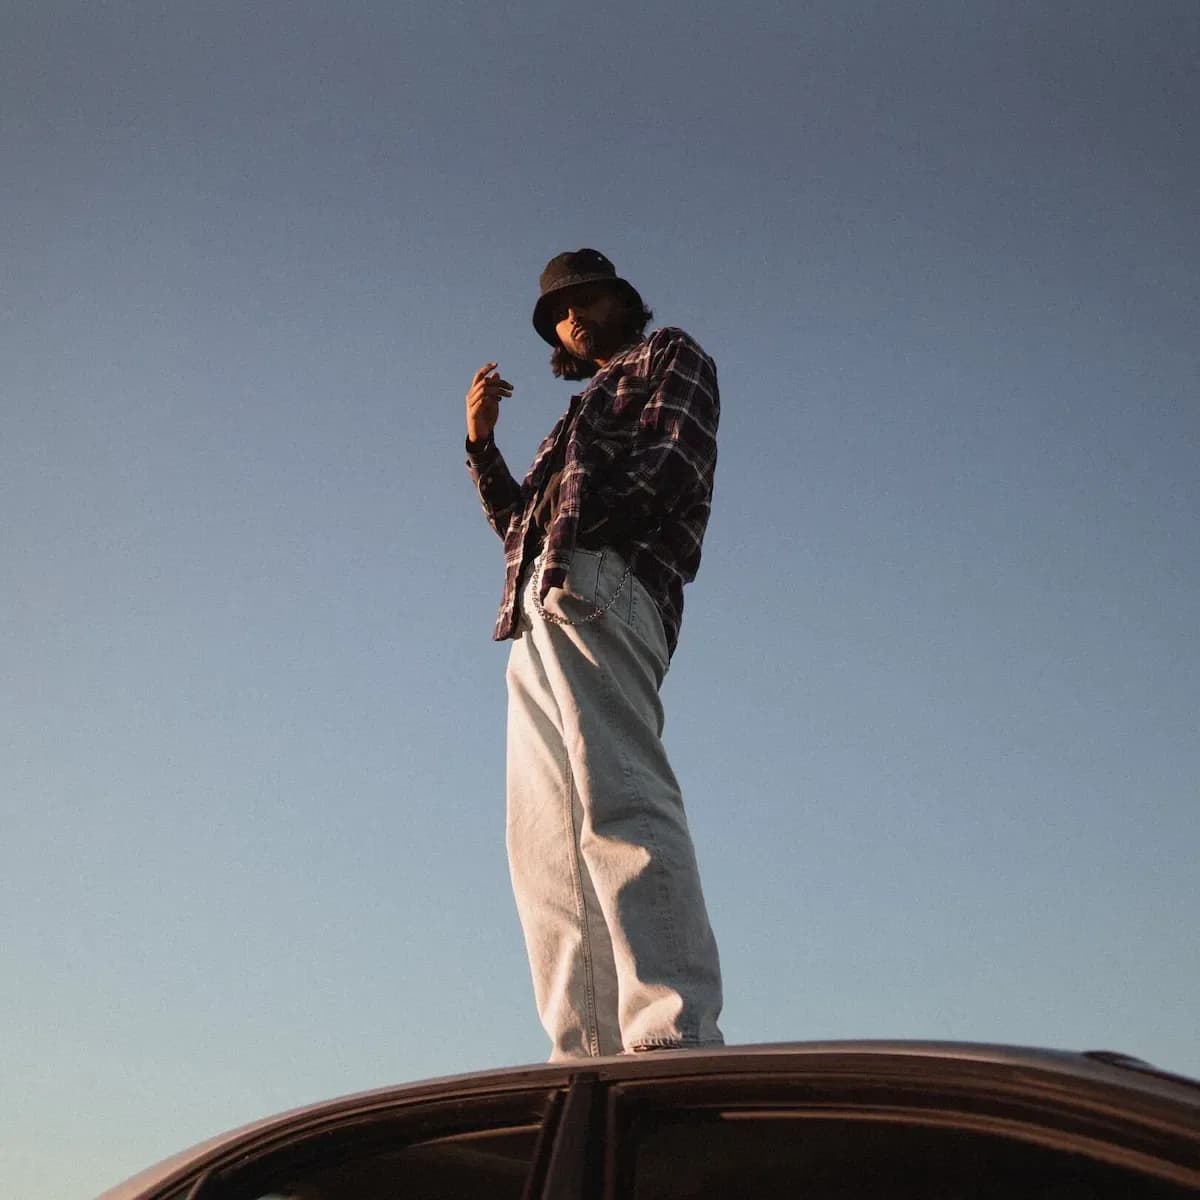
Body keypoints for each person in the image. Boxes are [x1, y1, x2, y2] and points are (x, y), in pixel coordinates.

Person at [464, 248, 723, 1059]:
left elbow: (673, 465)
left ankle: (671, 1031)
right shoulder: (573, 418)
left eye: (584, 299)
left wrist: (581, 536)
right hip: (539, 600)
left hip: (604, 583)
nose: (571, 317)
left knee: (621, 802)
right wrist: (481, 442)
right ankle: (585, 1054)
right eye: (558, 312)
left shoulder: (668, 354)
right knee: (544, 838)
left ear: (620, 299)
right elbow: (518, 526)